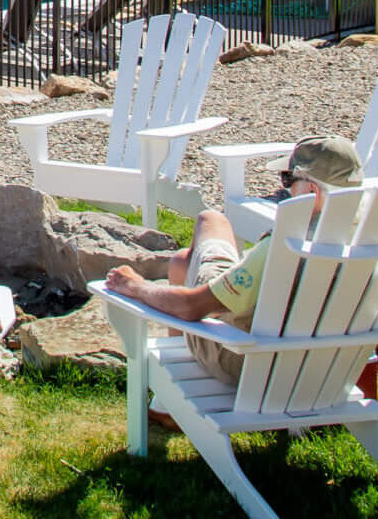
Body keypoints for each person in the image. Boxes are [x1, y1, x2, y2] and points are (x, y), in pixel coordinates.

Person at [102, 134, 362, 384]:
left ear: (312, 191)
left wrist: (135, 286)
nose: (285, 188)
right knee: (182, 261)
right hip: (329, 371)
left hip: (250, 366)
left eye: (288, 179)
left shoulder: (287, 247)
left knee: (210, 221)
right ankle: (164, 406)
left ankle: (168, 396)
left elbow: (191, 308)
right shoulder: (372, 242)